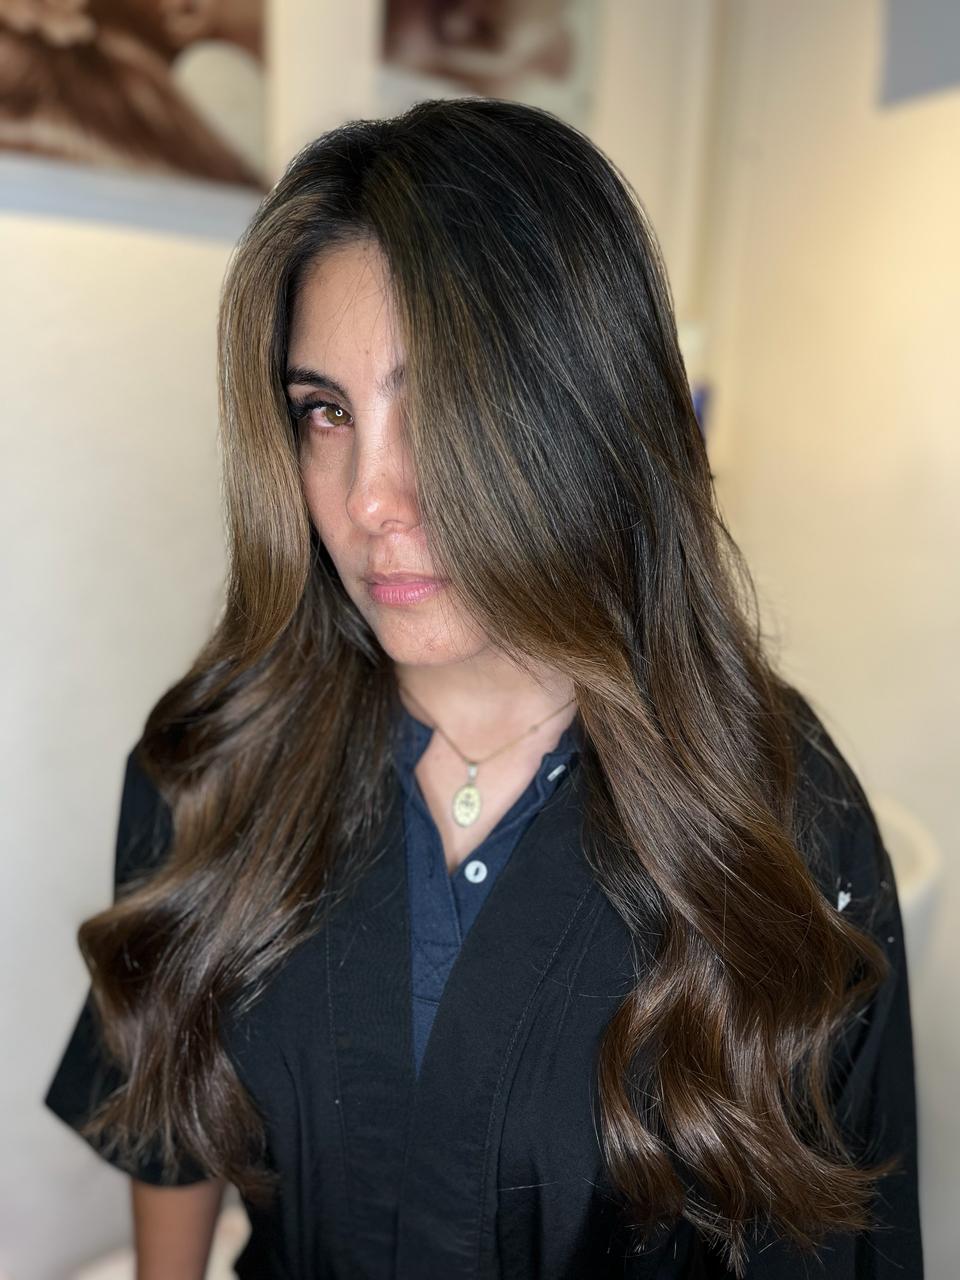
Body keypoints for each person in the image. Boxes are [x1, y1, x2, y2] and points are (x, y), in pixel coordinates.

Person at [42, 96, 923, 1278]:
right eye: (325, 412)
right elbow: (168, 1116)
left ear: (583, 411)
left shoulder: (780, 815)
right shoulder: (217, 759)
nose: (368, 498)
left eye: (438, 405)